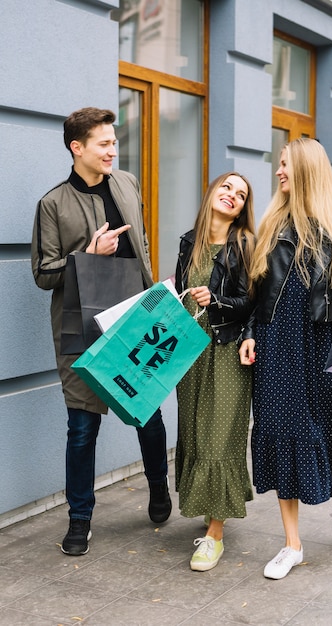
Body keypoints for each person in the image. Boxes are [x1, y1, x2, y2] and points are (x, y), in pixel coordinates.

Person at [31, 107, 171, 557]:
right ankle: (80, 519)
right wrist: (87, 255)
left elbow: (142, 245)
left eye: (114, 142)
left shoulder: (126, 184)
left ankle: (158, 487)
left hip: (135, 319)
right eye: (104, 143)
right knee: (81, 427)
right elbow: (42, 273)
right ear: (78, 148)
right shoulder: (52, 204)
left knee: (148, 417)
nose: (113, 150)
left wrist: (158, 302)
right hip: (81, 326)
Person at [239, 138, 332, 580]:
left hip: (324, 338)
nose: (278, 172)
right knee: (279, 427)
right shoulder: (272, 221)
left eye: (285, 165)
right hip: (278, 339)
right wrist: (252, 334)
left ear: (307, 169)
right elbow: (260, 291)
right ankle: (292, 545)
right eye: (277, 164)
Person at [175, 172, 256, 571]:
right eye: (227, 187)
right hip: (189, 350)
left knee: (219, 436)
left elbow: (252, 302)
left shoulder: (244, 245)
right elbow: (182, 292)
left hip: (225, 349)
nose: (233, 196)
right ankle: (210, 517)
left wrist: (218, 300)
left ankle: (215, 536)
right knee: (194, 429)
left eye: (240, 195)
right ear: (212, 192)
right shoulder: (189, 241)